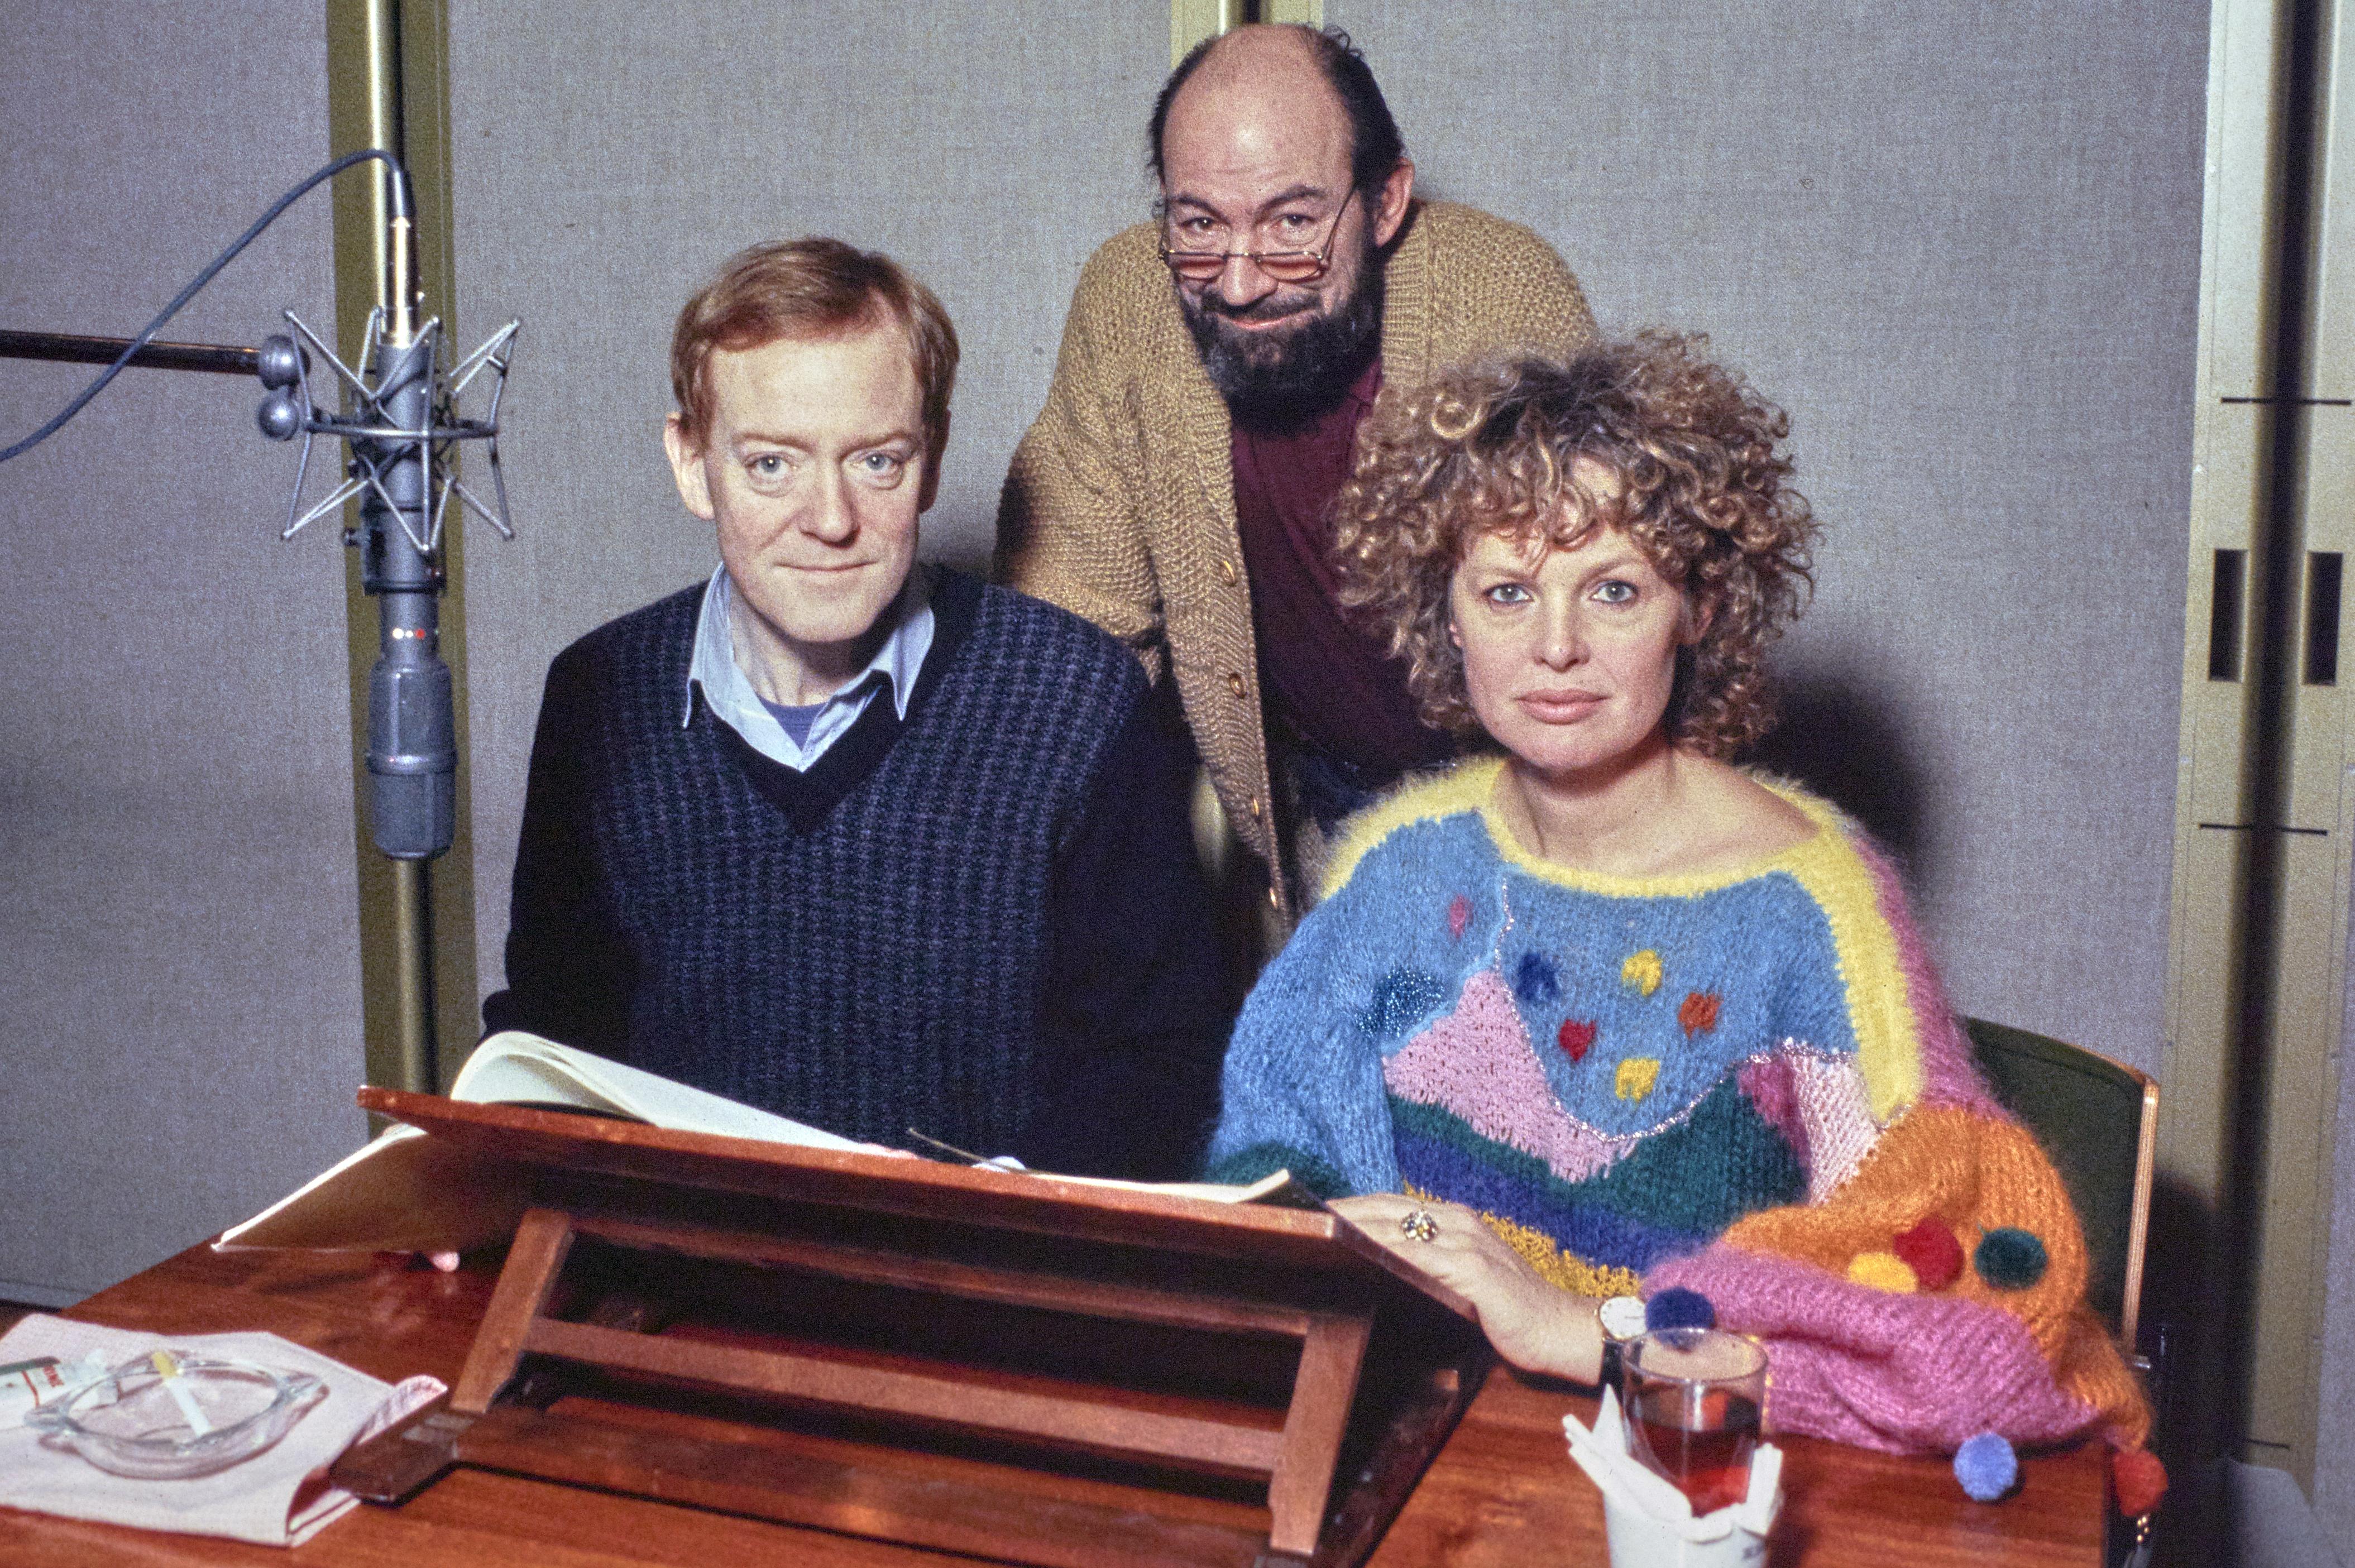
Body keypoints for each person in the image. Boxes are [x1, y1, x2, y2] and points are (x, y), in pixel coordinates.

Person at [1205, 338, 2157, 1470]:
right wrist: (1377, 1243)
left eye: (1614, 590)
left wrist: (1594, 1330)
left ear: (1697, 607)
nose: (1556, 647)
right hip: (1430, 1453)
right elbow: (1268, 1185)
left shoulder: (1813, 905)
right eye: (1506, 593)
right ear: (1446, 617)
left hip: (1688, 1474)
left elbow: (1974, 1344)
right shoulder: (1400, 863)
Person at [484, 238, 1227, 1180]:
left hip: (979, 1256)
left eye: (876, 461)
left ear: (931, 460)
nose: (830, 519)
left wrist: (992, 1213)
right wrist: (472, 1181)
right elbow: (553, 1041)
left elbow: (1161, 1064)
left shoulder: (1077, 697)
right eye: (771, 465)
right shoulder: (598, 697)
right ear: (691, 463)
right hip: (682, 1251)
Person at [998, 23, 1596, 918]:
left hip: (1543, 809)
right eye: (1199, 224)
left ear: (1385, 201)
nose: (1240, 285)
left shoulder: (1500, 297)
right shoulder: (1127, 304)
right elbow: (1074, 638)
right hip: (1329, 817)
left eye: (1292, 224)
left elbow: (1598, 624)